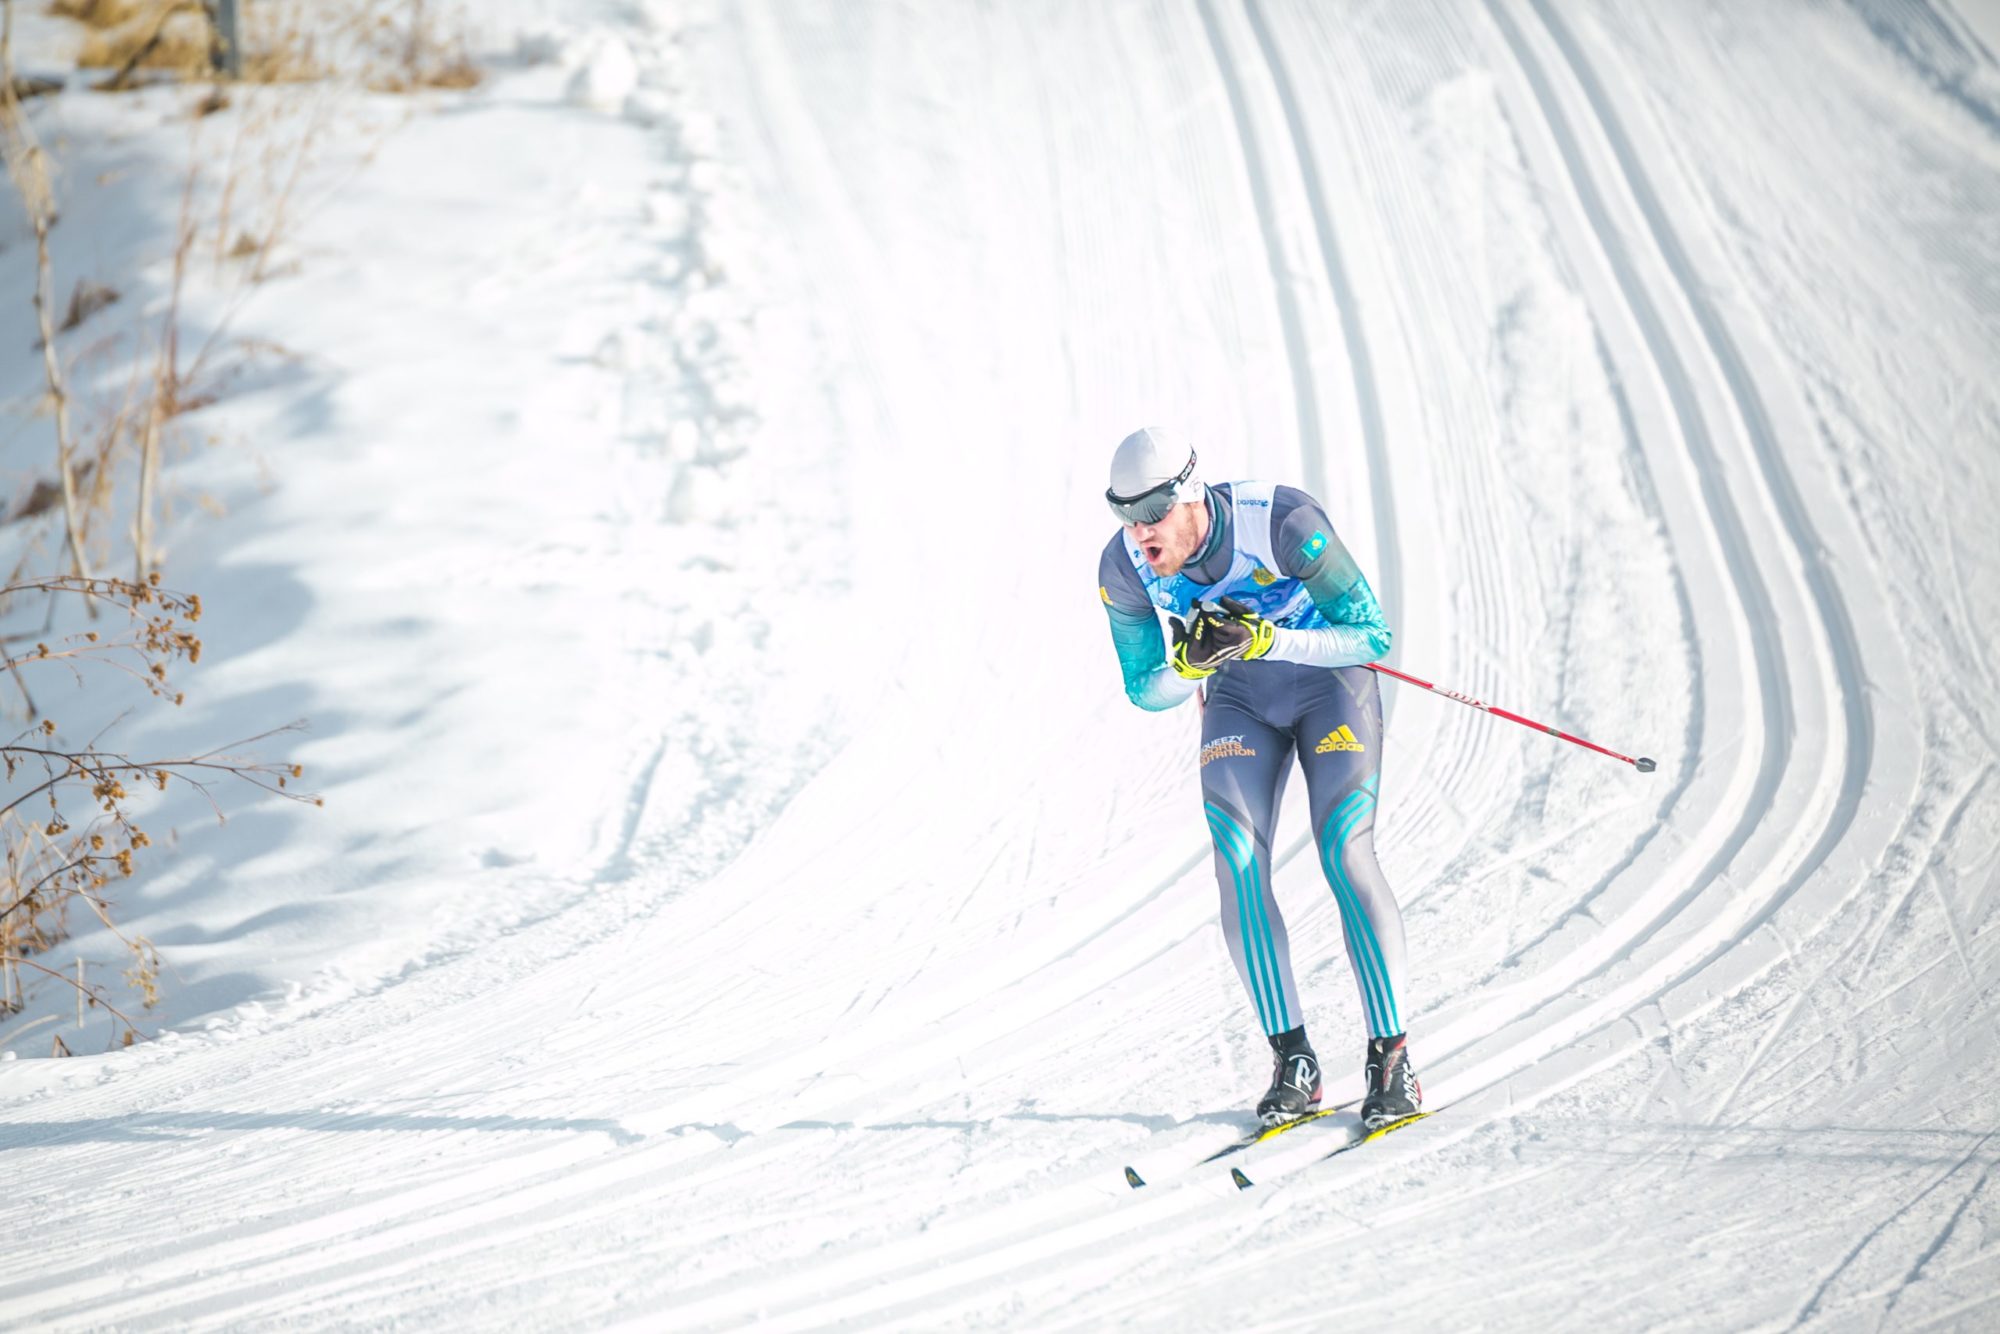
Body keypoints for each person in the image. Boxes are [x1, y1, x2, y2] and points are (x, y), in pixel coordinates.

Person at [1097, 427, 1421, 1129]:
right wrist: (1187, 665)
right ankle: (1294, 1062)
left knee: (1343, 848)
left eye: (1151, 511)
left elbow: (1372, 636)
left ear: (1188, 495)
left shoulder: (1281, 523)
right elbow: (1143, 691)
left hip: (1329, 687)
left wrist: (1270, 639)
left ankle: (1391, 1059)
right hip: (1241, 702)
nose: (1139, 532)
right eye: (1122, 513)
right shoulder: (1124, 566)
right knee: (1238, 861)